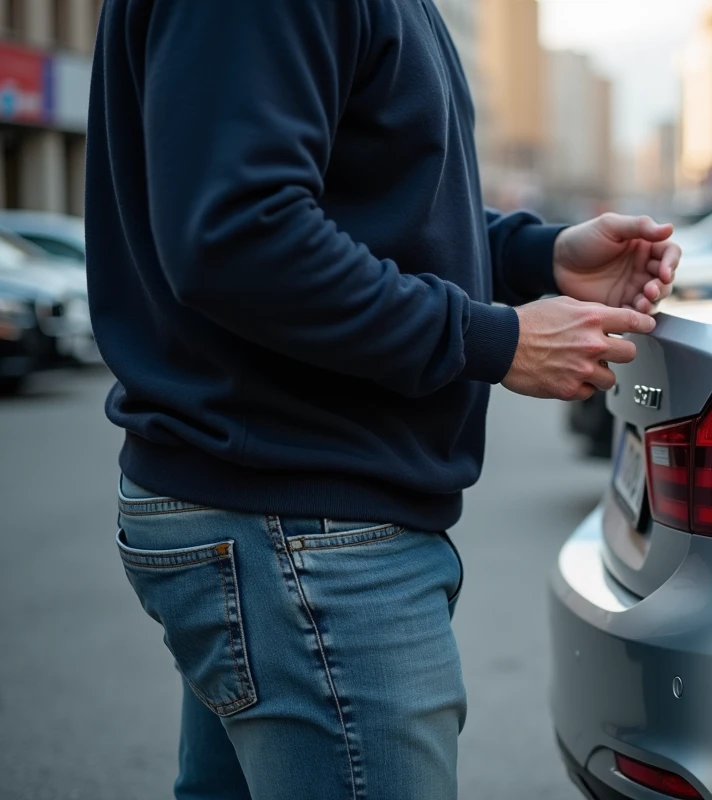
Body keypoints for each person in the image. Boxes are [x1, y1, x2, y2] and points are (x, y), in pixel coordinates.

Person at [84, 2, 679, 799]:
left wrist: (536, 256)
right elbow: (240, 238)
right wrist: (492, 340)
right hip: (300, 531)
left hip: (291, 521)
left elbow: (370, 205)